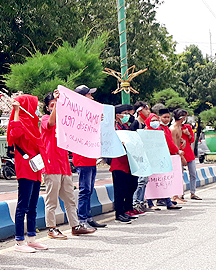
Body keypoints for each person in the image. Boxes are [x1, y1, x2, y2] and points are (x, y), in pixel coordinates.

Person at [39, 91, 92, 239]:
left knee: (70, 199)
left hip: (64, 166)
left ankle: (75, 226)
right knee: (52, 200)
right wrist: (57, 102)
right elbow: (50, 124)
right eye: (52, 105)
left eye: (57, 104)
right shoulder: (44, 118)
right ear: (48, 107)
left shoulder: (65, 121)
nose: (55, 107)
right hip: (51, 166)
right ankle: (52, 228)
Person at [7, 95, 49, 253]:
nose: (36, 108)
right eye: (34, 105)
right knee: (22, 206)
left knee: (33, 206)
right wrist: (16, 111)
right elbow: (15, 134)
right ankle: (19, 241)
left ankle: (31, 238)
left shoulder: (33, 123)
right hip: (25, 167)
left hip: (36, 168)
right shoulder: (19, 121)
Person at [71, 84, 104, 230]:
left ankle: (88, 217)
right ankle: (82, 218)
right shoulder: (76, 115)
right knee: (84, 190)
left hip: (91, 157)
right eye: (89, 95)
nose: (92, 97)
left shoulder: (88, 113)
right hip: (82, 158)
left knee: (89, 190)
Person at [145, 111, 183, 210]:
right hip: (150, 160)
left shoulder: (162, 130)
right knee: (150, 182)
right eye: (153, 120)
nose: (166, 119)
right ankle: (150, 203)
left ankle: (168, 202)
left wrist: (176, 151)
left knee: (163, 180)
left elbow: (169, 143)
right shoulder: (145, 132)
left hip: (160, 159)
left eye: (168, 117)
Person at [110, 104, 140, 223]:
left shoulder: (126, 127)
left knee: (131, 186)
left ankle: (127, 208)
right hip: (118, 162)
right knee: (120, 189)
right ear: (118, 115)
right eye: (125, 113)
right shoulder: (114, 128)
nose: (128, 116)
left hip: (128, 162)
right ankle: (119, 212)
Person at [170, 109, 201, 201]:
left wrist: (187, 135)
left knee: (193, 174)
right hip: (179, 154)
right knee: (179, 174)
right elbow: (173, 144)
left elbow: (191, 140)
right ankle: (179, 194)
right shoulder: (174, 128)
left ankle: (192, 192)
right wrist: (181, 156)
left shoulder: (186, 127)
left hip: (188, 153)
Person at [130, 101, 151, 212]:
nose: (148, 112)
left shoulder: (145, 124)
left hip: (144, 156)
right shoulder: (135, 124)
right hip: (137, 156)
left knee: (145, 180)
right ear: (139, 111)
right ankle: (135, 203)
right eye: (146, 109)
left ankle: (141, 201)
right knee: (140, 180)